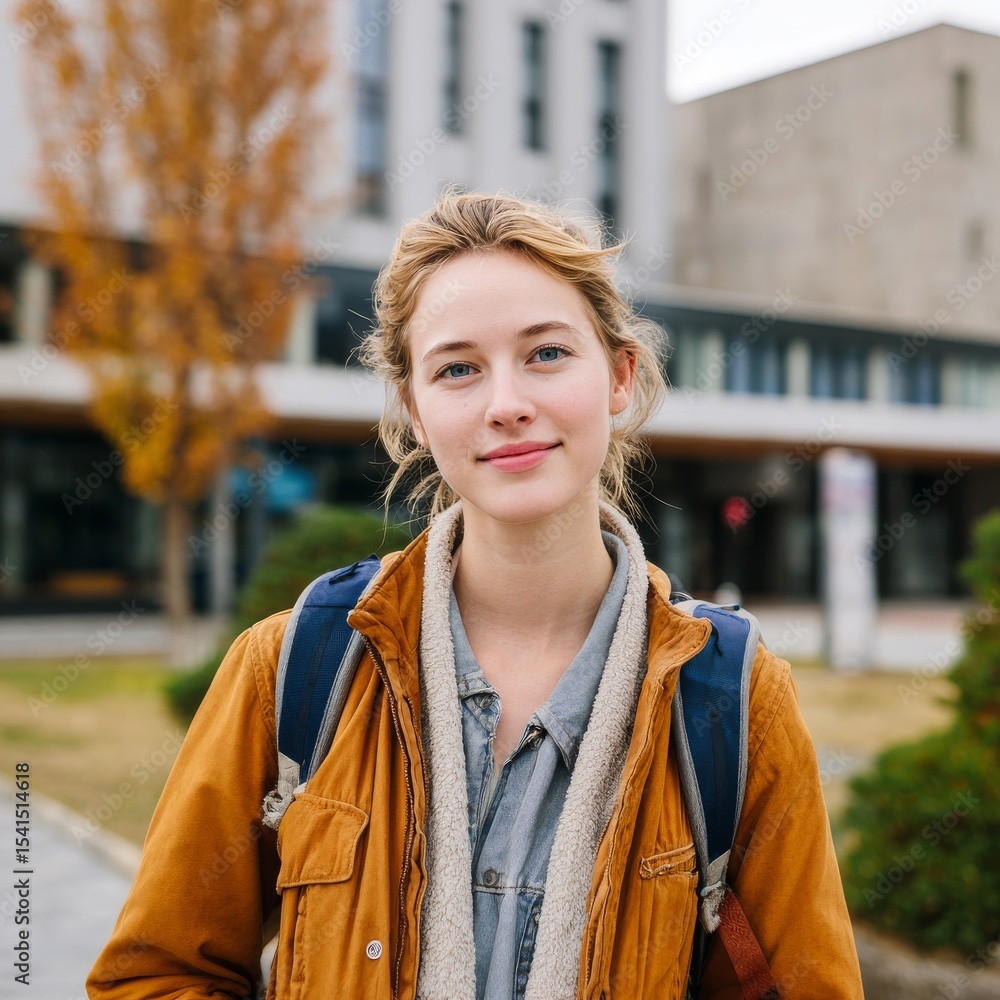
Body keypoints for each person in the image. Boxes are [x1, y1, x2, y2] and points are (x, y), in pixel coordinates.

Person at [88, 191, 863, 999]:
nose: (506, 405)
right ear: (416, 411)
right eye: (458, 369)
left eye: (547, 354)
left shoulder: (732, 700)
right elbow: (157, 974)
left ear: (620, 375)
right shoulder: (290, 670)